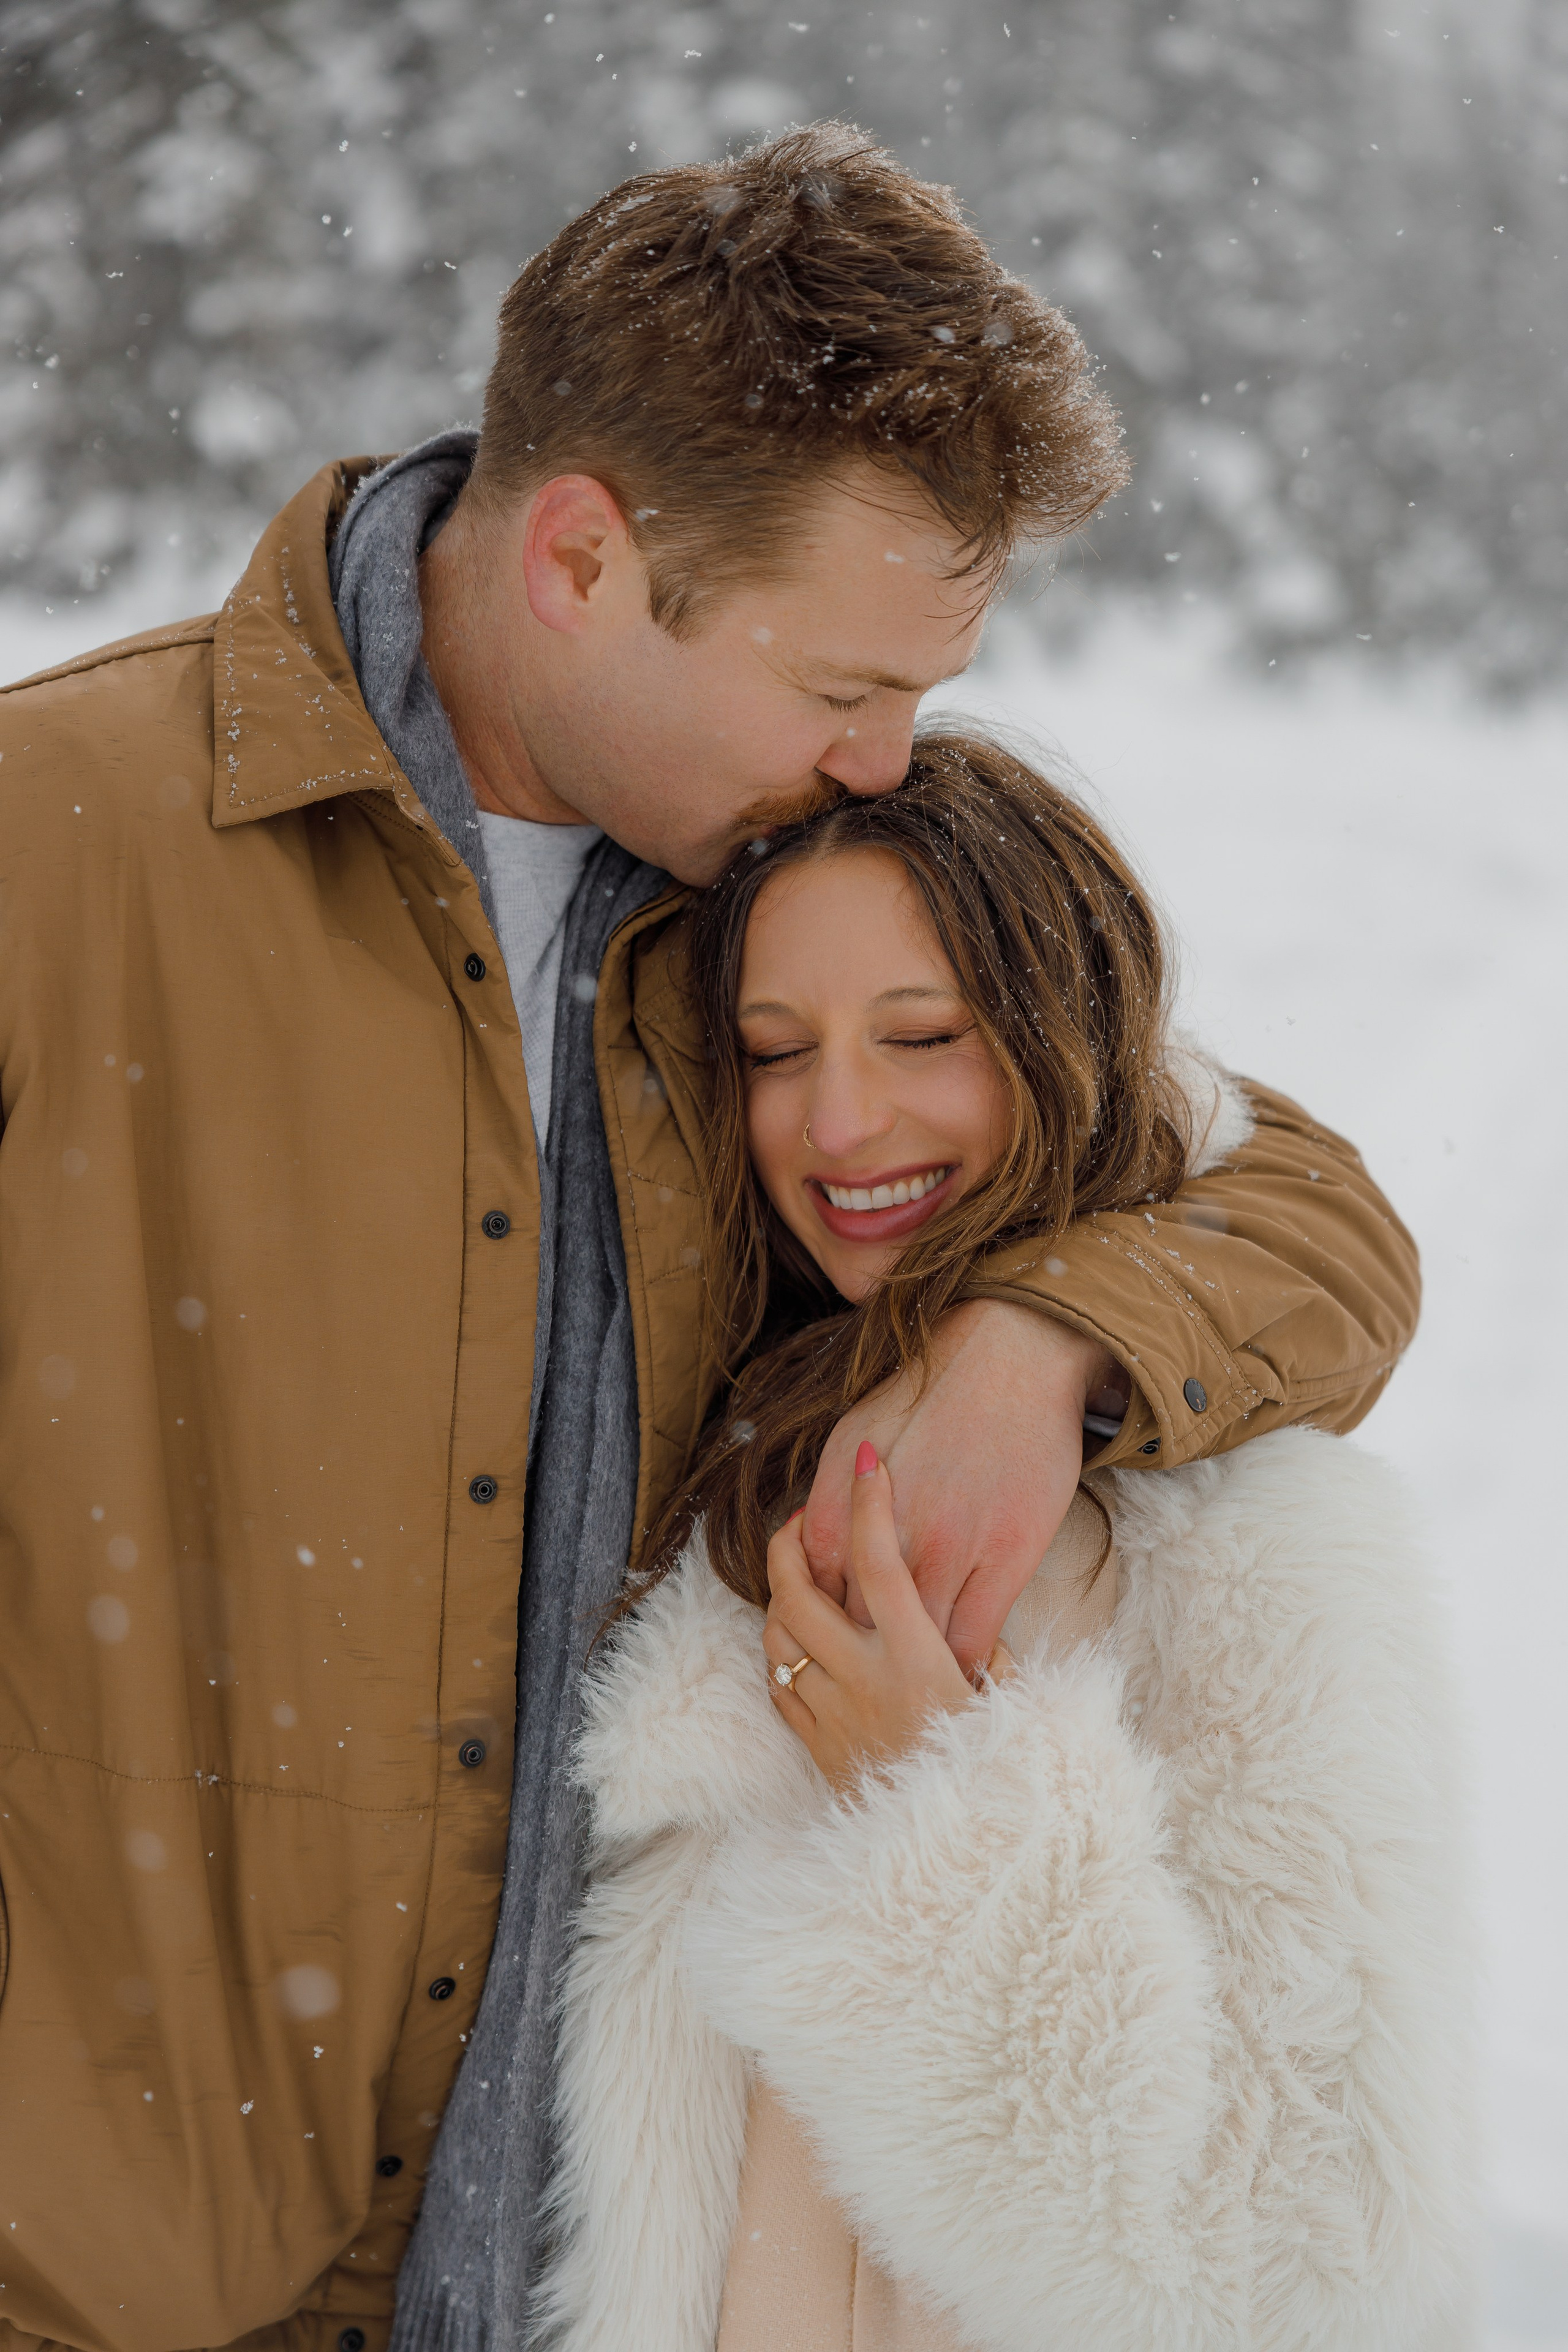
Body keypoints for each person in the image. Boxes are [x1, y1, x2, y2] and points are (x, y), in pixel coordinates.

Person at [0, 126, 1419, 2352]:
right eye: (845, 688)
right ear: (582, 554)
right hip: (100, 2279)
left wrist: (1031, 1340)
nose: (884, 764)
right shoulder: (60, 851)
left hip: (565, 2267)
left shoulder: (773, 920)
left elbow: (1306, 1207)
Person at [540, 735, 1473, 2352]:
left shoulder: (1244, 1554)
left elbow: (1300, 2279)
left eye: (925, 1035)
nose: (841, 1121)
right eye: (774, 1051)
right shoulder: (715, 1447)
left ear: (1060, 1036)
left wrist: (947, 1814)